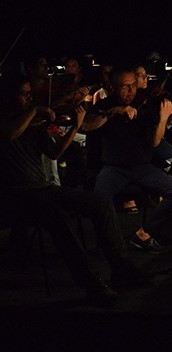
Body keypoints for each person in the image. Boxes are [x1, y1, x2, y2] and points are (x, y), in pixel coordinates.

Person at [0, 74, 148, 305]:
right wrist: (35, 110)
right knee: (56, 215)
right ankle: (90, 282)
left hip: (42, 188)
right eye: (24, 94)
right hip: (13, 196)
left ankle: (121, 268)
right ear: (7, 98)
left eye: (31, 94)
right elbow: (9, 134)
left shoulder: (32, 125)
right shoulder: (8, 123)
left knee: (99, 202)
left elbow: (54, 153)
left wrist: (75, 127)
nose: (29, 99)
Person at [82, 67, 172, 253]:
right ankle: (109, 244)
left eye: (133, 85)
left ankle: (145, 232)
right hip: (114, 167)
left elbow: (155, 142)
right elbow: (87, 125)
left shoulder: (144, 106)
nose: (131, 91)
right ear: (114, 87)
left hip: (142, 167)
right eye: (125, 87)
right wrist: (114, 112)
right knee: (99, 199)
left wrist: (163, 119)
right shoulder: (105, 105)